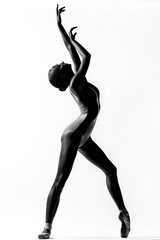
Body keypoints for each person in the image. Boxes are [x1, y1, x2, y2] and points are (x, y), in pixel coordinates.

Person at [38, 4, 131, 239]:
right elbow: (86, 56)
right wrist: (74, 41)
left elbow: (71, 50)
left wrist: (59, 26)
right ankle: (47, 228)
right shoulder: (75, 83)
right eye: (59, 67)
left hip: (83, 136)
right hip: (73, 135)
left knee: (111, 170)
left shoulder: (79, 77)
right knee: (60, 180)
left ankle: (123, 213)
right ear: (63, 78)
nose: (63, 62)